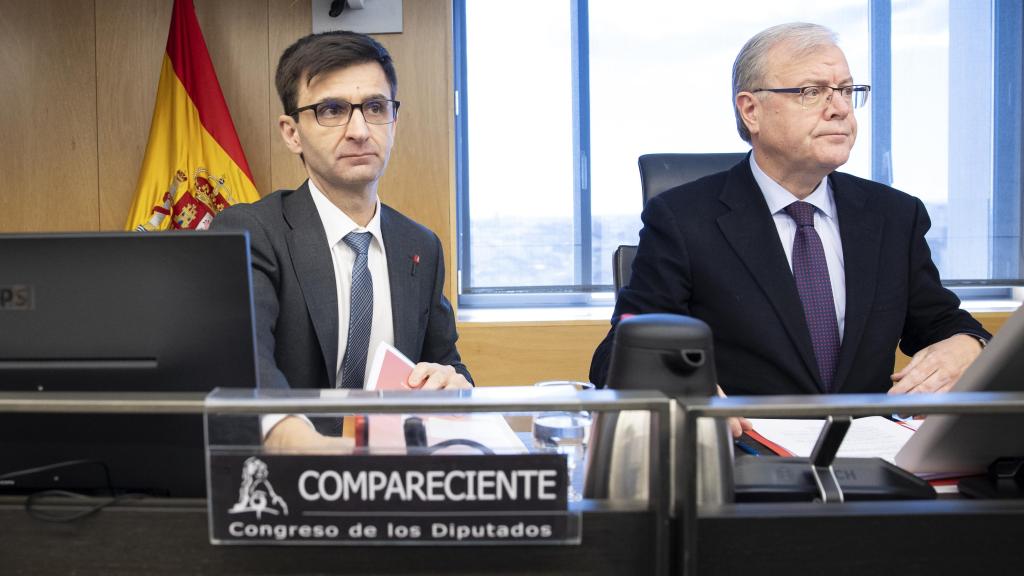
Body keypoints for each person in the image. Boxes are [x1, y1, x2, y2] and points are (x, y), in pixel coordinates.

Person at [590, 23, 989, 411]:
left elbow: (942, 324)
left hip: (866, 457)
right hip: (745, 458)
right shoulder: (682, 219)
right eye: (812, 92)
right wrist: (670, 381)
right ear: (751, 111)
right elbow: (616, 355)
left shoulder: (895, 216)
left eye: (847, 91)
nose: (839, 109)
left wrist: (968, 347)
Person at [212, 31, 471, 450]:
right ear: (292, 132)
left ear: (394, 121)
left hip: (394, 475)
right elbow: (246, 361)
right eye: (331, 110)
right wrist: (296, 441)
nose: (359, 130)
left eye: (374, 108)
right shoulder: (251, 233)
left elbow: (447, 364)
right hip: (288, 478)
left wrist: (451, 383)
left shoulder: (420, 246)